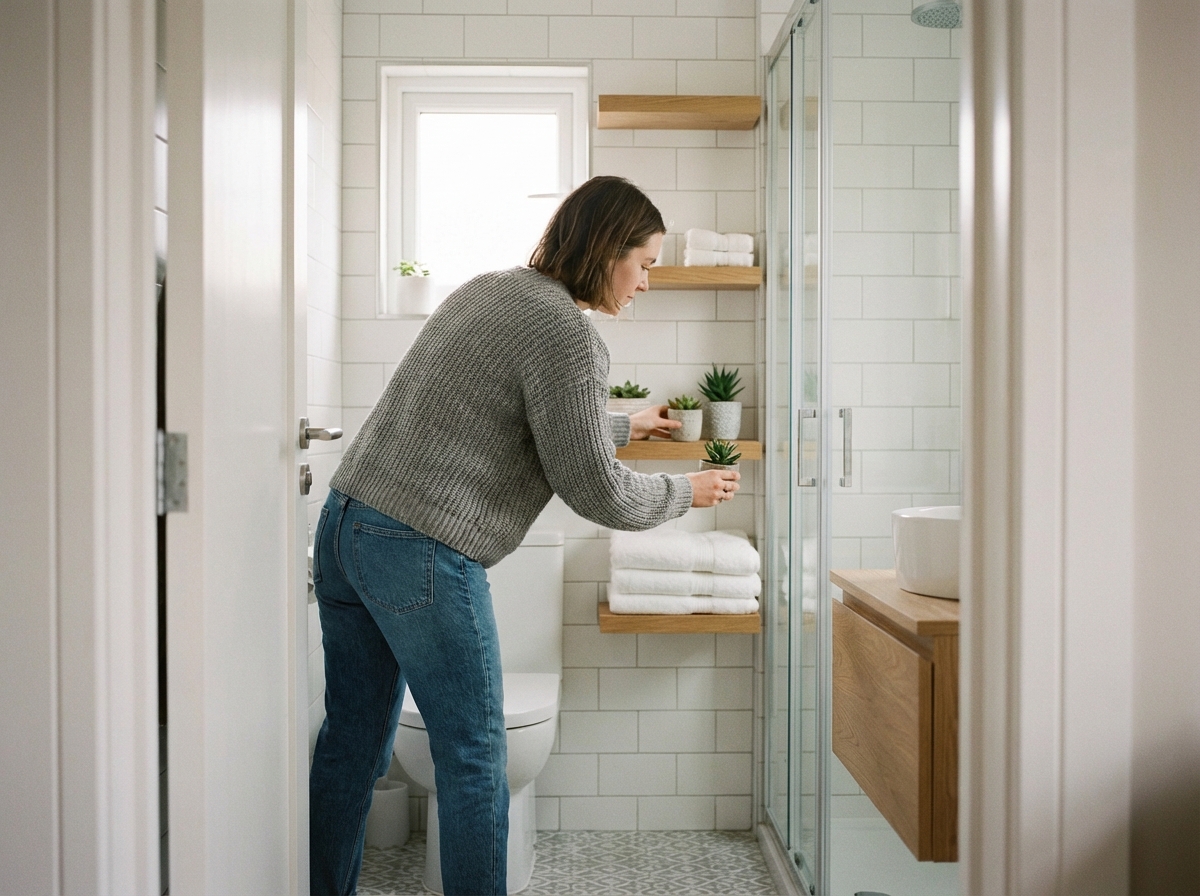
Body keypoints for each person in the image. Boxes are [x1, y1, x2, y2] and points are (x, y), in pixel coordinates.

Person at [308, 175, 741, 895]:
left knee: (352, 743)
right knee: (476, 757)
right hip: (420, 546)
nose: (646, 282)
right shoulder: (569, 333)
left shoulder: (490, 290)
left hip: (347, 525)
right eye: (645, 263)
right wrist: (685, 492)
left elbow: (501, 416)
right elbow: (596, 490)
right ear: (609, 250)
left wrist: (622, 424)